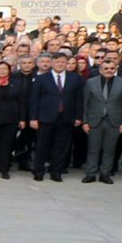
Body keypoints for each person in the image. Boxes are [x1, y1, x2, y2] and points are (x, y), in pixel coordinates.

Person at [79, 57, 122, 184]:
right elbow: (85, 103)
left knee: (109, 149)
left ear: (116, 69)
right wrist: (85, 122)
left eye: (112, 68)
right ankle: (90, 174)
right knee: (93, 148)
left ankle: (105, 174)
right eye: (106, 68)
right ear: (100, 70)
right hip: (94, 121)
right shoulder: (91, 82)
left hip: (114, 121)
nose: (109, 70)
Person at [29, 53, 80, 181]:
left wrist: (78, 117)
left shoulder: (75, 78)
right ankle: (38, 171)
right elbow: (34, 99)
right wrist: (33, 118)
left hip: (66, 117)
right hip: (45, 118)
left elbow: (79, 99)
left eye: (63, 62)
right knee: (42, 146)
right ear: (52, 63)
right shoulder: (42, 78)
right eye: (57, 62)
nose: (60, 64)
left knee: (61, 146)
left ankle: (56, 172)